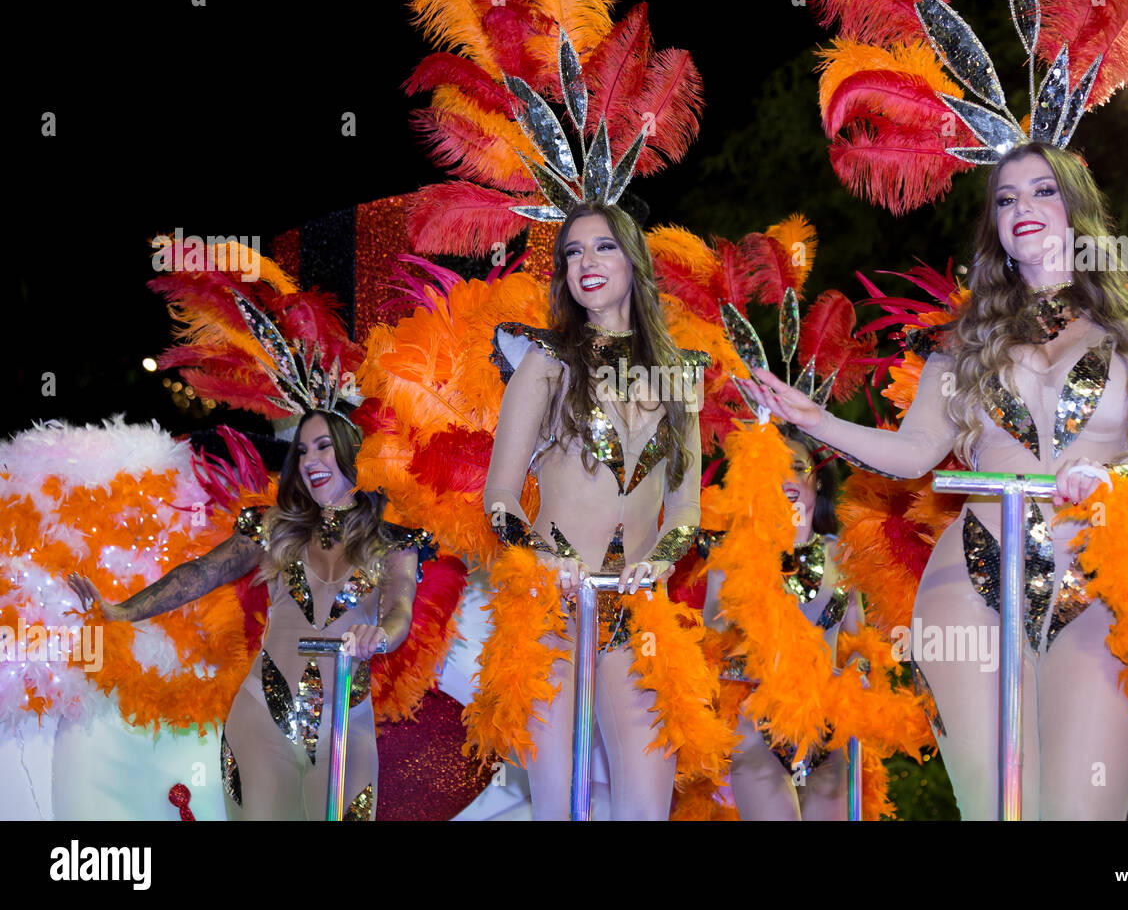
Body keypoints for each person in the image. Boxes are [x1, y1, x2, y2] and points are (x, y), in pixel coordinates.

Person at [741, 142, 1128, 820]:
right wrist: (818, 420)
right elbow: (915, 454)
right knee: (999, 808)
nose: (1022, 208)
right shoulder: (964, 342)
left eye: (1041, 191)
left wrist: (1108, 475)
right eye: (1006, 200)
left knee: (1080, 807)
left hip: (1097, 576)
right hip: (969, 581)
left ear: (1077, 209)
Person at [69, 410, 429, 820]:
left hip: (346, 729)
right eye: (303, 450)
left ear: (352, 455)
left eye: (324, 447)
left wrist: (378, 637)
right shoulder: (274, 527)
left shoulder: (394, 543)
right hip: (262, 721)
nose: (310, 460)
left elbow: (399, 610)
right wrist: (121, 611)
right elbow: (201, 573)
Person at [482, 201, 704, 820]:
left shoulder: (681, 375)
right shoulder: (546, 363)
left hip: (635, 616)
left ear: (633, 260)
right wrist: (542, 558)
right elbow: (499, 497)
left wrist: (662, 557)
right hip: (550, 613)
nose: (587, 262)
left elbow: (685, 504)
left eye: (603, 246)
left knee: (646, 807)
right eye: (573, 252)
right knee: (559, 805)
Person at [701, 427, 862, 820]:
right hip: (754, 726)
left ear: (818, 478)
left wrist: (860, 676)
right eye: (774, 470)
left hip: (828, 725)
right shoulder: (732, 556)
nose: (787, 480)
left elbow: (861, 644)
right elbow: (711, 653)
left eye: (796, 466)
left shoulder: (845, 554)